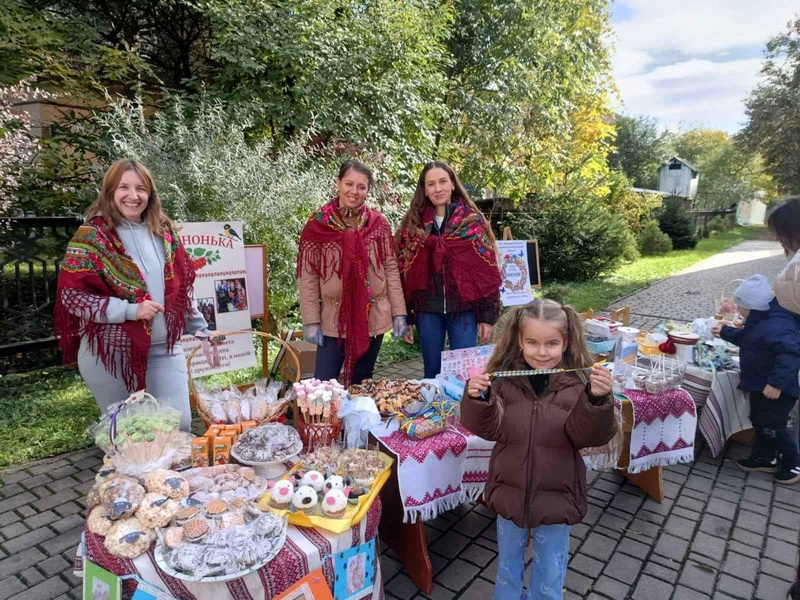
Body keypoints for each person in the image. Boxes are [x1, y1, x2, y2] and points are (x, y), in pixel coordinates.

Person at [461, 299, 617, 600]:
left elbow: (587, 435)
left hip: (557, 496)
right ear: (520, 341)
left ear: (566, 342)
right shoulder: (504, 380)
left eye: (551, 343)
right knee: (507, 566)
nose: (541, 352)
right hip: (509, 492)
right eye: (532, 342)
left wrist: (596, 401)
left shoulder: (577, 383)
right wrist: (477, 400)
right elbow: (488, 428)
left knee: (550, 570)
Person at [54, 158, 211, 431]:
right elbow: (72, 297)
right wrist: (130, 310)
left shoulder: (165, 232)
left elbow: (182, 290)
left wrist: (200, 328)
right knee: (131, 437)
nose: (133, 195)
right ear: (110, 192)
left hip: (164, 349)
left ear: (150, 194)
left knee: (179, 425)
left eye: (141, 188)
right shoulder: (91, 237)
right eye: (123, 187)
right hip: (113, 355)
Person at [297, 160, 408, 385]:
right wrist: (311, 320)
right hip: (332, 319)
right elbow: (307, 276)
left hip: (372, 317)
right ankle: (326, 422)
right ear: (338, 183)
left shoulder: (378, 224)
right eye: (349, 184)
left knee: (362, 384)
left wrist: (399, 313)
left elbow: (390, 269)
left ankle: (356, 420)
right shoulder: (317, 225)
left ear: (367, 190)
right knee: (324, 386)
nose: (354, 191)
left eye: (361, 187)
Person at [396, 161, 502, 379]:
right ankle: (434, 413)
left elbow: (487, 271)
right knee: (431, 372)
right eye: (431, 184)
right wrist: (405, 318)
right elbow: (402, 273)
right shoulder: (413, 224)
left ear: (453, 184)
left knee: (466, 375)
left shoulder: (471, 222)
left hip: (464, 310)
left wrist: (487, 316)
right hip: (427, 311)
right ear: (424, 190)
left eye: (443, 181)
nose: (438, 189)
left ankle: (465, 413)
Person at [712, 275, 800, 485]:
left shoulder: (777, 326)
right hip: (760, 383)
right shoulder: (760, 319)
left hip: (777, 388)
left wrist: (777, 383)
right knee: (759, 420)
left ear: (749, 306)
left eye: (739, 305)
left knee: (775, 424)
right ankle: (766, 457)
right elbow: (749, 340)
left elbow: (790, 355)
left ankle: (793, 463)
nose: (737, 309)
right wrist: (725, 331)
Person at [764, 197, 800, 600]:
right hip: (781, 367)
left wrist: (782, 375)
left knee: (779, 421)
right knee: (772, 419)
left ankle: (790, 464)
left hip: (784, 372)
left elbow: (791, 342)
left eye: (780, 233)